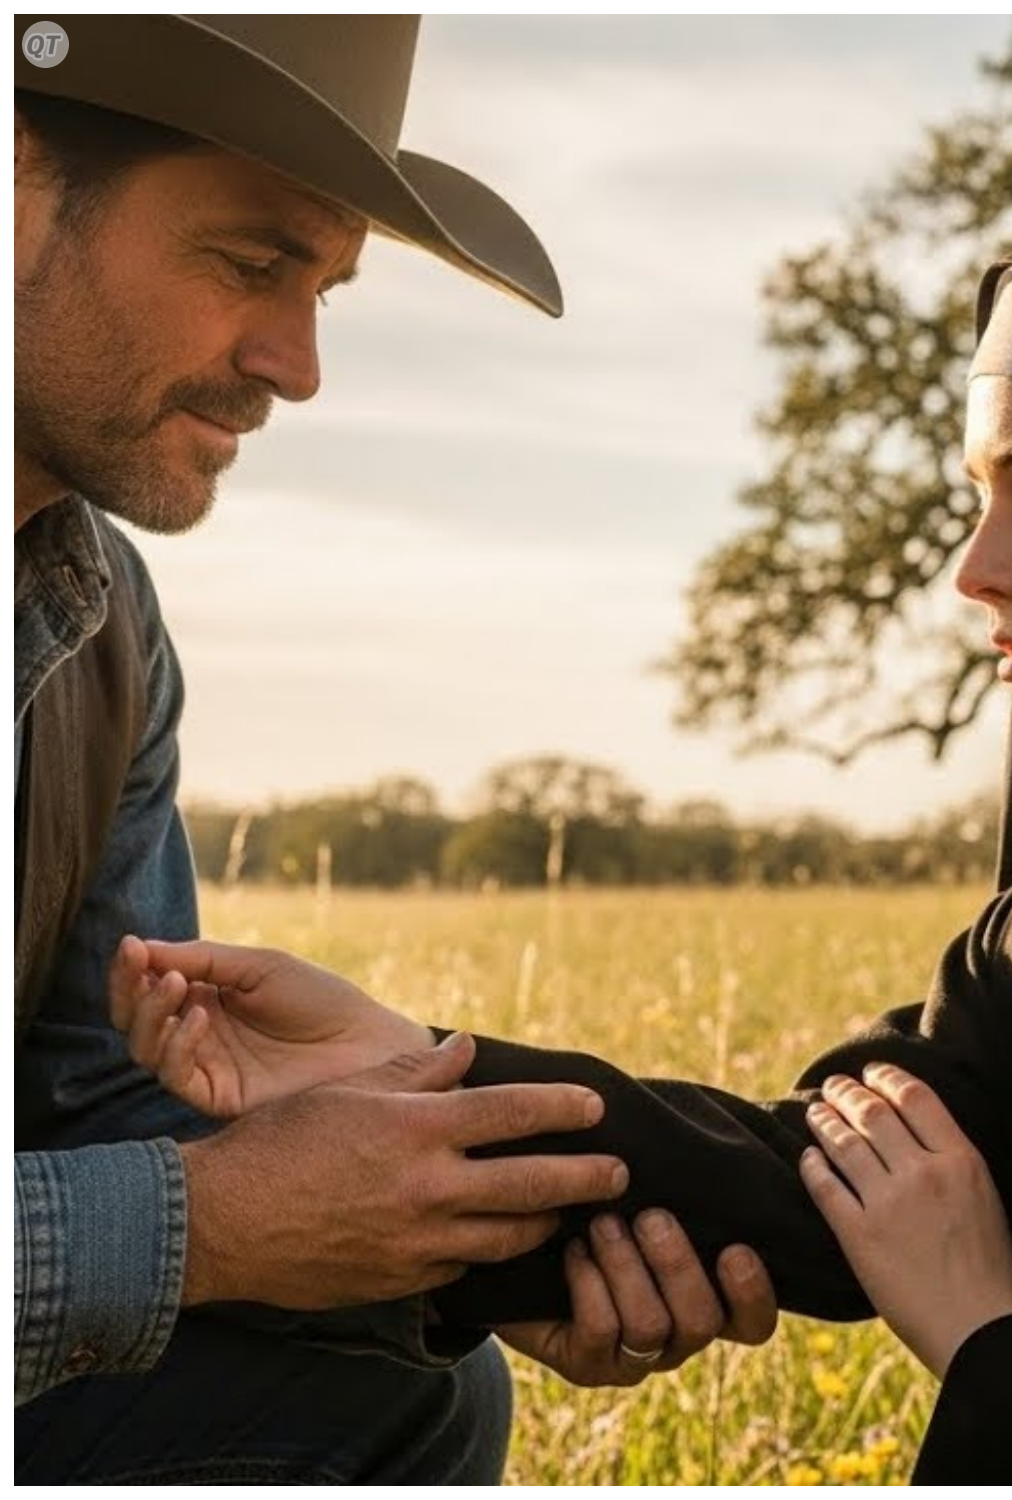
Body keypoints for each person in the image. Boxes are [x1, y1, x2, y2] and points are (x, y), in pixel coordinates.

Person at [124, 197, 1012, 1484]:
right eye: (978, 498)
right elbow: (813, 1181)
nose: (977, 569)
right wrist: (411, 1070)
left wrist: (984, 1340)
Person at [14, 15, 778, 1486]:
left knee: (398, 1382)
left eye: (326, 291)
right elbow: (172, 1199)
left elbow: (78, 1090)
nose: (296, 367)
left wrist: (452, 1243)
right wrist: (217, 1224)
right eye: (248, 264)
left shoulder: (100, 618)